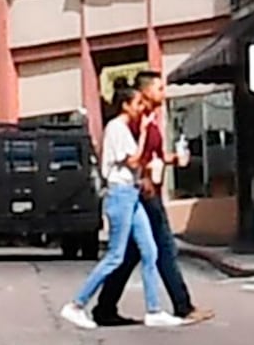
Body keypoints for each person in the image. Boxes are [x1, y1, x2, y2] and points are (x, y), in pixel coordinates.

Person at [60, 85, 157, 332]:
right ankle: (76, 304)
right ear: (125, 105)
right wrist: (146, 132)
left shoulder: (124, 129)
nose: (142, 108)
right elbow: (133, 160)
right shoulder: (116, 128)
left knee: (149, 251)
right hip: (120, 195)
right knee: (115, 256)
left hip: (131, 193)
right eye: (138, 104)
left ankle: (154, 309)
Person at [123, 79, 200, 326]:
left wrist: (175, 159)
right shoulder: (140, 121)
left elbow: (155, 156)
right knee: (165, 247)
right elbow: (135, 157)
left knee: (131, 253)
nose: (163, 93)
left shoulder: (153, 120)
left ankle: (105, 305)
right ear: (145, 92)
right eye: (158, 88)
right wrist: (144, 178)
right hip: (146, 193)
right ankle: (183, 305)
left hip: (151, 190)